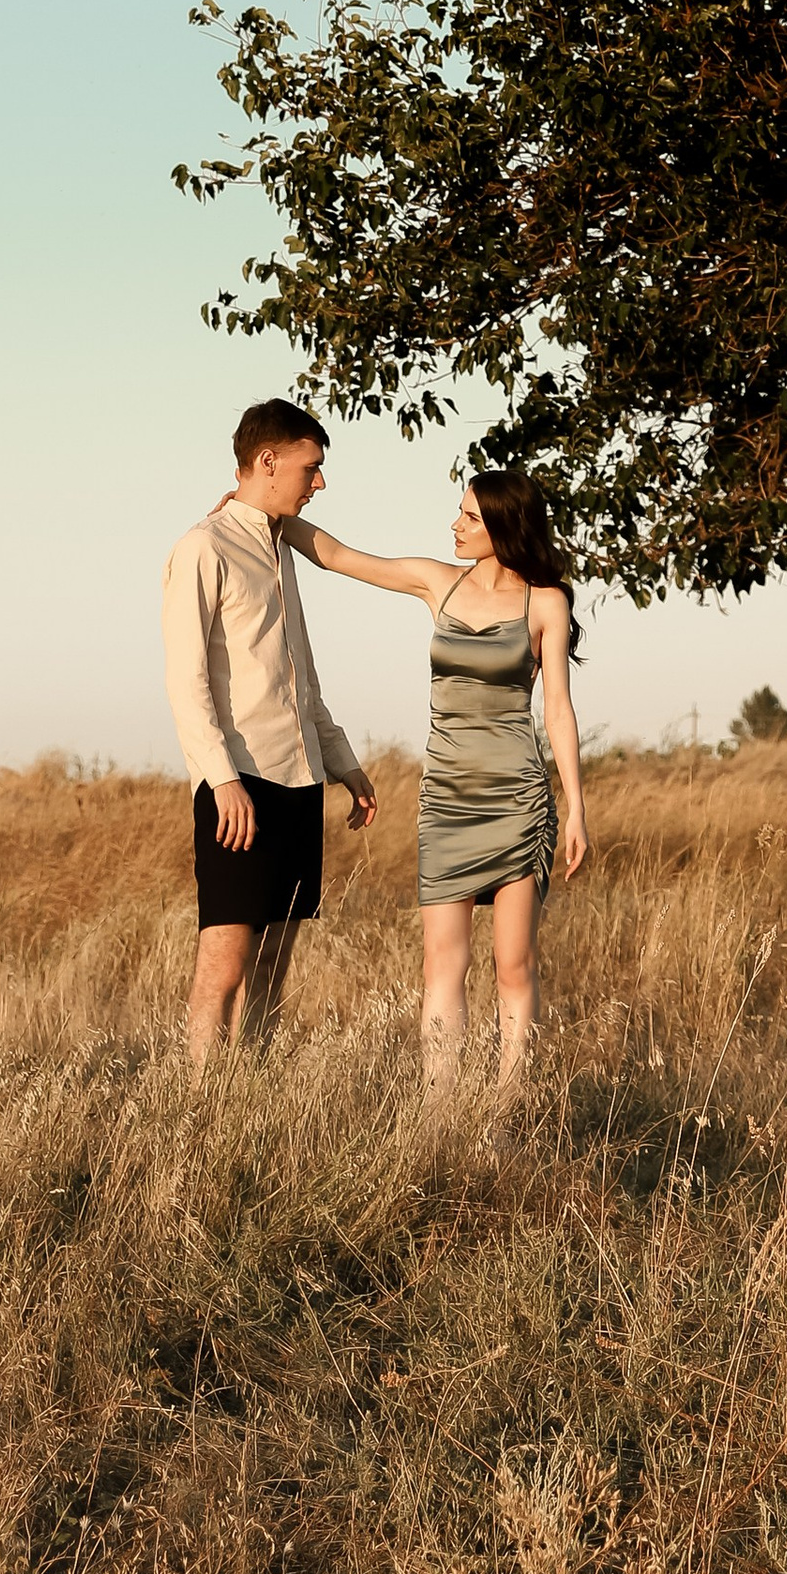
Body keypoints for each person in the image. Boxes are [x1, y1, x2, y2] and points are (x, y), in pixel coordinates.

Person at [281, 467, 587, 1097]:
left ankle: (506, 1110)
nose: (455, 525)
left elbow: (556, 709)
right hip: (447, 799)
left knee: (514, 965)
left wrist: (576, 809)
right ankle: (442, 1107)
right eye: (460, 512)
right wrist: (263, 514)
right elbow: (339, 557)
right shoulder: (437, 584)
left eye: (471, 517)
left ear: (505, 525)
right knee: (442, 962)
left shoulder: (545, 603)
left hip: (517, 800)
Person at [162, 401, 377, 1072]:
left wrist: (343, 764)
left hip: (299, 779)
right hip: (239, 783)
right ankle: (197, 1111)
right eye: (312, 468)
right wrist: (220, 779)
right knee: (224, 962)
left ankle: (246, 1102)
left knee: (275, 965)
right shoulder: (203, 546)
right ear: (268, 462)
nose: (319, 483)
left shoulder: (282, 549)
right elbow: (185, 679)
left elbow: (299, 679)